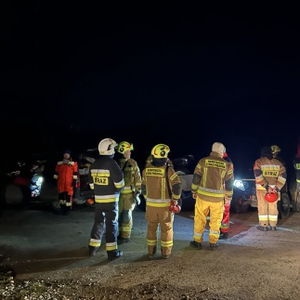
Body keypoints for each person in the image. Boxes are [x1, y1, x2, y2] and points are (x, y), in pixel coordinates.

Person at [190, 142, 234, 250]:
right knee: (216, 220)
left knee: (200, 218)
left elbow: (196, 177)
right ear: (222, 152)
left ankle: (197, 241)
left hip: (202, 197)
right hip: (218, 199)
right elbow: (229, 183)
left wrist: (194, 190)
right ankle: (213, 243)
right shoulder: (226, 165)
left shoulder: (203, 161)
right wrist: (228, 196)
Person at [141, 144, 182, 259]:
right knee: (166, 229)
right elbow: (177, 186)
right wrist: (175, 199)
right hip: (165, 207)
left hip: (150, 206)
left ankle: (150, 252)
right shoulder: (169, 170)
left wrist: (147, 199)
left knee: (151, 228)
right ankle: (165, 253)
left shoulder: (146, 170)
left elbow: (143, 188)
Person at [88, 138, 125, 261]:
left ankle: (93, 247)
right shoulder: (112, 164)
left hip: (98, 200)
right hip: (111, 201)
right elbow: (119, 184)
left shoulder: (94, 164)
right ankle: (112, 252)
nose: (114, 150)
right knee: (111, 224)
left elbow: (92, 185)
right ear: (109, 150)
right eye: (113, 148)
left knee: (98, 222)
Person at [253, 146, 287, 231]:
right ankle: (273, 225)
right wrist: (277, 187)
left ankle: (263, 225)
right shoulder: (278, 163)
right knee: (273, 206)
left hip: (262, 189)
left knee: (262, 206)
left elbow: (258, 175)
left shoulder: (259, 162)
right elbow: (283, 176)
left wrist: (266, 186)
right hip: (274, 189)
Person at [116, 141, 142, 244]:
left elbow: (137, 178)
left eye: (130, 151)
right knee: (118, 215)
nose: (129, 153)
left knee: (126, 215)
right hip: (117, 196)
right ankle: (120, 234)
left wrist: (138, 191)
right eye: (127, 151)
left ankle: (125, 236)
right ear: (121, 151)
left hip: (128, 196)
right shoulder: (116, 163)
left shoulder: (133, 163)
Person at [53, 150, 78, 215]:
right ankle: (62, 209)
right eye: (65, 154)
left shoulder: (73, 163)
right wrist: (54, 180)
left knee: (68, 197)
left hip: (69, 183)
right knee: (61, 198)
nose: (66, 155)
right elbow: (56, 173)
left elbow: (75, 173)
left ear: (70, 155)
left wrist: (74, 181)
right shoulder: (59, 163)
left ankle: (68, 209)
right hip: (60, 183)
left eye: (68, 154)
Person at [219, 151, 234, 239]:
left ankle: (221, 231)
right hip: (226, 190)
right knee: (225, 210)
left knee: (221, 210)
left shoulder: (224, 162)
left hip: (221, 190)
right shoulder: (229, 161)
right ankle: (224, 231)